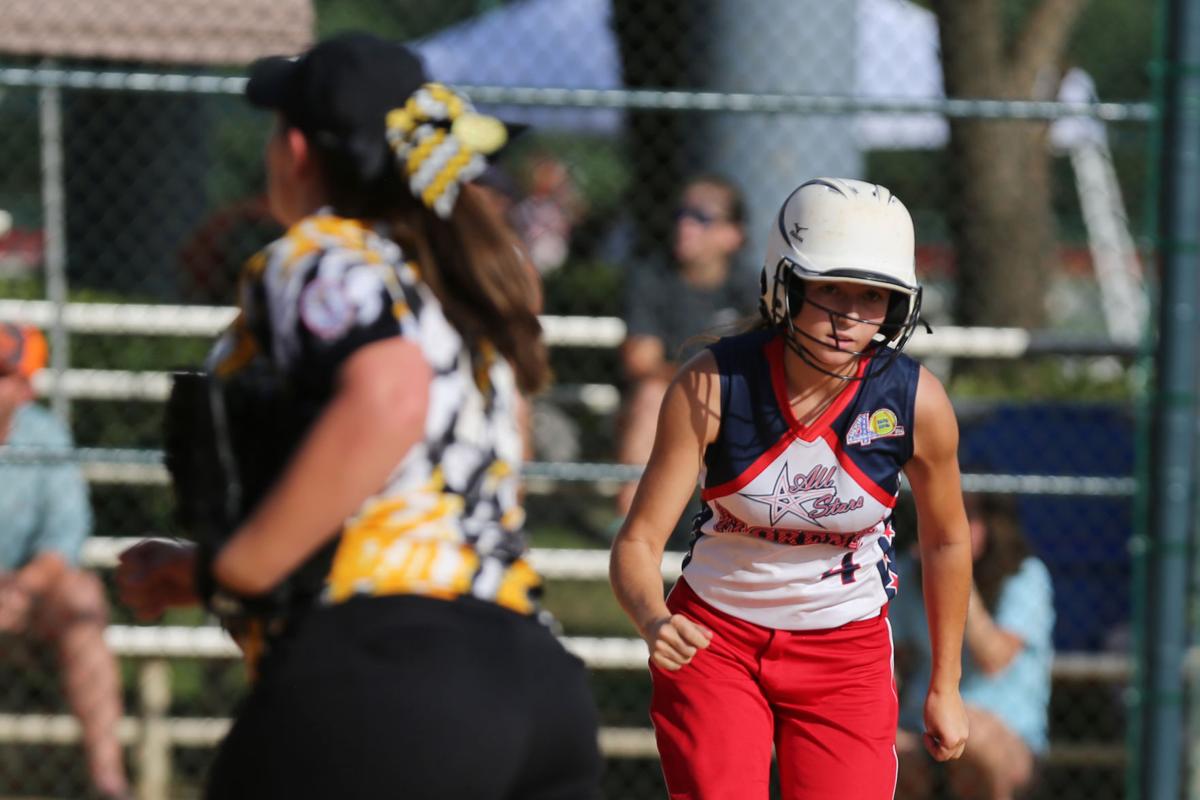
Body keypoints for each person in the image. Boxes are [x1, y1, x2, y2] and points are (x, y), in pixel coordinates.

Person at [114, 33, 601, 800]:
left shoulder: (324, 254)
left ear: (299, 149)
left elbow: (390, 394)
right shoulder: (456, 294)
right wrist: (204, 574)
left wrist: (236, 568)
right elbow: (427, 497)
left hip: (387, 682)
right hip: (533, 684)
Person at [609, 177, 973, 799]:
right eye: (830, 288)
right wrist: (652, 618)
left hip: (847, 651)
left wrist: (945, 684)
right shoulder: (714, 383)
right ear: (787, 283)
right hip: (716, 641)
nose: (849, 317)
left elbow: (945, 542)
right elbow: (638, 542)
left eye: (873, 296)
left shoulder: (916, 401)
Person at [0, 323, 130, 800]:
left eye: (0, 374)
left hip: (25, 598)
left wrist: (21, 588)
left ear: (25, 388)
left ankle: (107, 782)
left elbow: (65, 537)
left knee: (82, 596)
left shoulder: (45, 437)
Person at [892, 493, 1054, 800]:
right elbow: (897, 662)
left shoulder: (1023, 576)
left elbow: (994, 659)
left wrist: (953, 573)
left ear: (992, 524)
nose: (950, 525)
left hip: (1006, 733)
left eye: (967, 516)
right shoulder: (909, 573)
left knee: (975, 741)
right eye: (942, 515)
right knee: (883, 748)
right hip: (923, 727)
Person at [615, 174, 757, 519]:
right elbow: (641, 360)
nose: (686, 226)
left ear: (732, 234)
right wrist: (707, 380)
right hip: (676, 397)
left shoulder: (750, 284)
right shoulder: (653, 276)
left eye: (702, 218)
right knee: (650, 394)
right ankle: (632, 529)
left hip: (738, 400)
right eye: (682, 214)